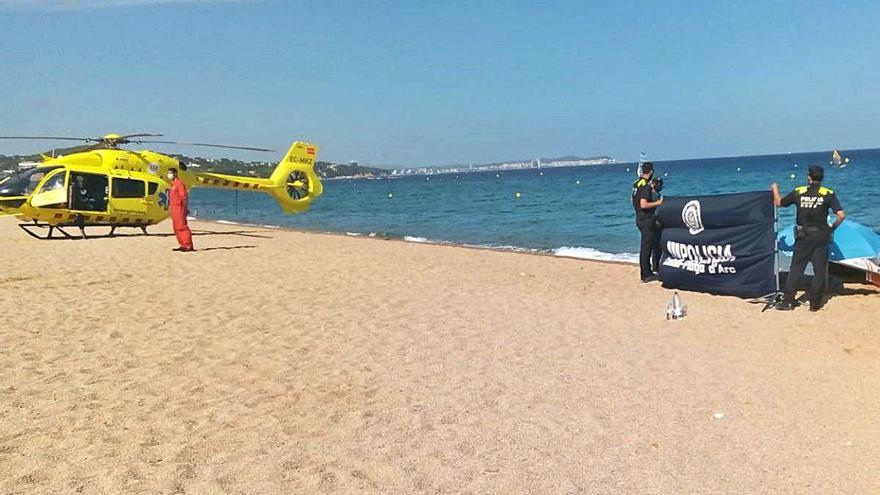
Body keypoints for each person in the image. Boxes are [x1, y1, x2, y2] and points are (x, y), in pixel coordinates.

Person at [771, 165, 845, 311]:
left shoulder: (799, 191)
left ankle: (788, 301)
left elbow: (779, 203)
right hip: (821, 236)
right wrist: (833, 227)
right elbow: (841, 215)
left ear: (809, 177)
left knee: (796, 268)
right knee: (819, 270)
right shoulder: (828, 193)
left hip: (804, 236)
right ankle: (814, 303)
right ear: (822, 178)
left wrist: (774, 189)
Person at [632, 162, 663, 282]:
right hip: (646, 218)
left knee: (654, 243)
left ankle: (655, 267)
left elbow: (632, 199)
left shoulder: (636, 183)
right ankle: (646, 274)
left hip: (639, 217)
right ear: (651, 172)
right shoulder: (645, 186)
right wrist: (658, 203)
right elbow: (643, 204)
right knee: (646, 247)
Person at [168, 168, 194, 252]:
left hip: (179, 207)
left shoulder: (179, 183)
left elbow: (184, 197)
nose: (169, 174)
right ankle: (182, 244)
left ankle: (188, 245)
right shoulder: (172, 184)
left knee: (182, 226)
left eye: (171, 173)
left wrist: (185, 208)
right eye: (168, 173)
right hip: (173, 207)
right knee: (176, 227)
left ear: (175, 174)